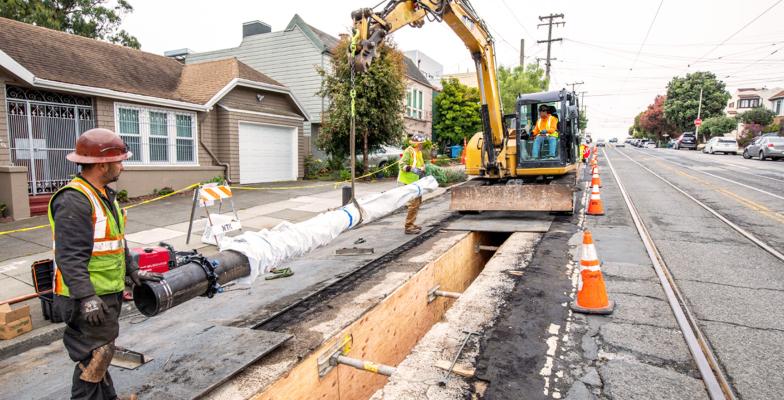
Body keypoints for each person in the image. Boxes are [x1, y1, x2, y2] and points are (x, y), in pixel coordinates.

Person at [49, 128, 163, 400]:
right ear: (102, 164)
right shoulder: (75, 200)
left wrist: (131, 270)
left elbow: (115, 239)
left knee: (102, 349)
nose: (122, 166)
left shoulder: (101, 194)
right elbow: (69, 256)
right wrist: (87, 297)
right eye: (119, 160)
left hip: (104, 291)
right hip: (84, 297)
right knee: (94, 356)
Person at [398, 134, 426, 234]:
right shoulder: (408, 151)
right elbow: (401, 165)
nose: (422, 145)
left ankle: (412, 223)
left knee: (418, 202)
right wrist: (412, 169)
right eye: (421, 143)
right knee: (414, 204)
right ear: (417, 144)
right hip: (409, 181)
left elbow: (421, 164)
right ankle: (408, 226)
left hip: (417, 181)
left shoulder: (419, 152)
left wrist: (423, 169)